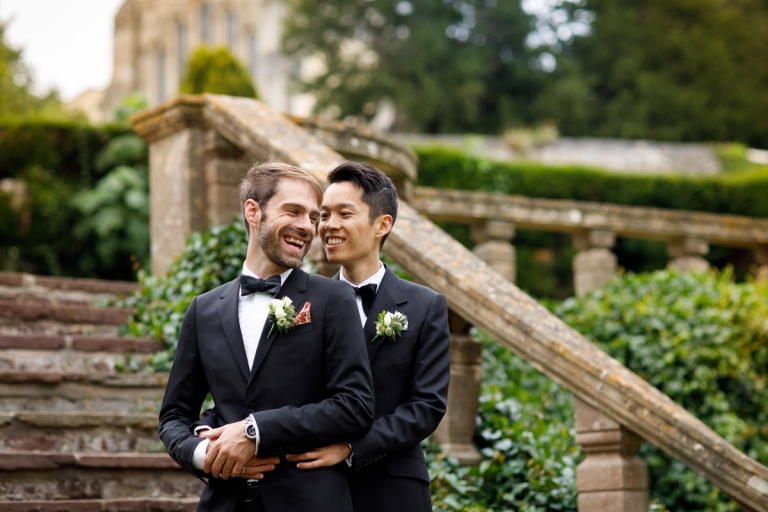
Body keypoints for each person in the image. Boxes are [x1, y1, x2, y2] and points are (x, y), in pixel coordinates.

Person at [158, 162, 375, 512]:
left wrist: (253, 431)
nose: (307, 227)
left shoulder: (333, 300)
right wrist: (205, 454)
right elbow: (173, 416)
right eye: (293, 211)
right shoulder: (203, 310)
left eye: (312, 217)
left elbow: (355, 406)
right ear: (252, 211)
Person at [288, 161, 451, 511]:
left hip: (393, 489)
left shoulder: (425, 306)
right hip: (315, 487)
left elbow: (427, 406)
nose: (329, 226)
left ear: (382, 224)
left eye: (344, 214)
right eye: (325, 215)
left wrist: (351, 448)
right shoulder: (301, 305)